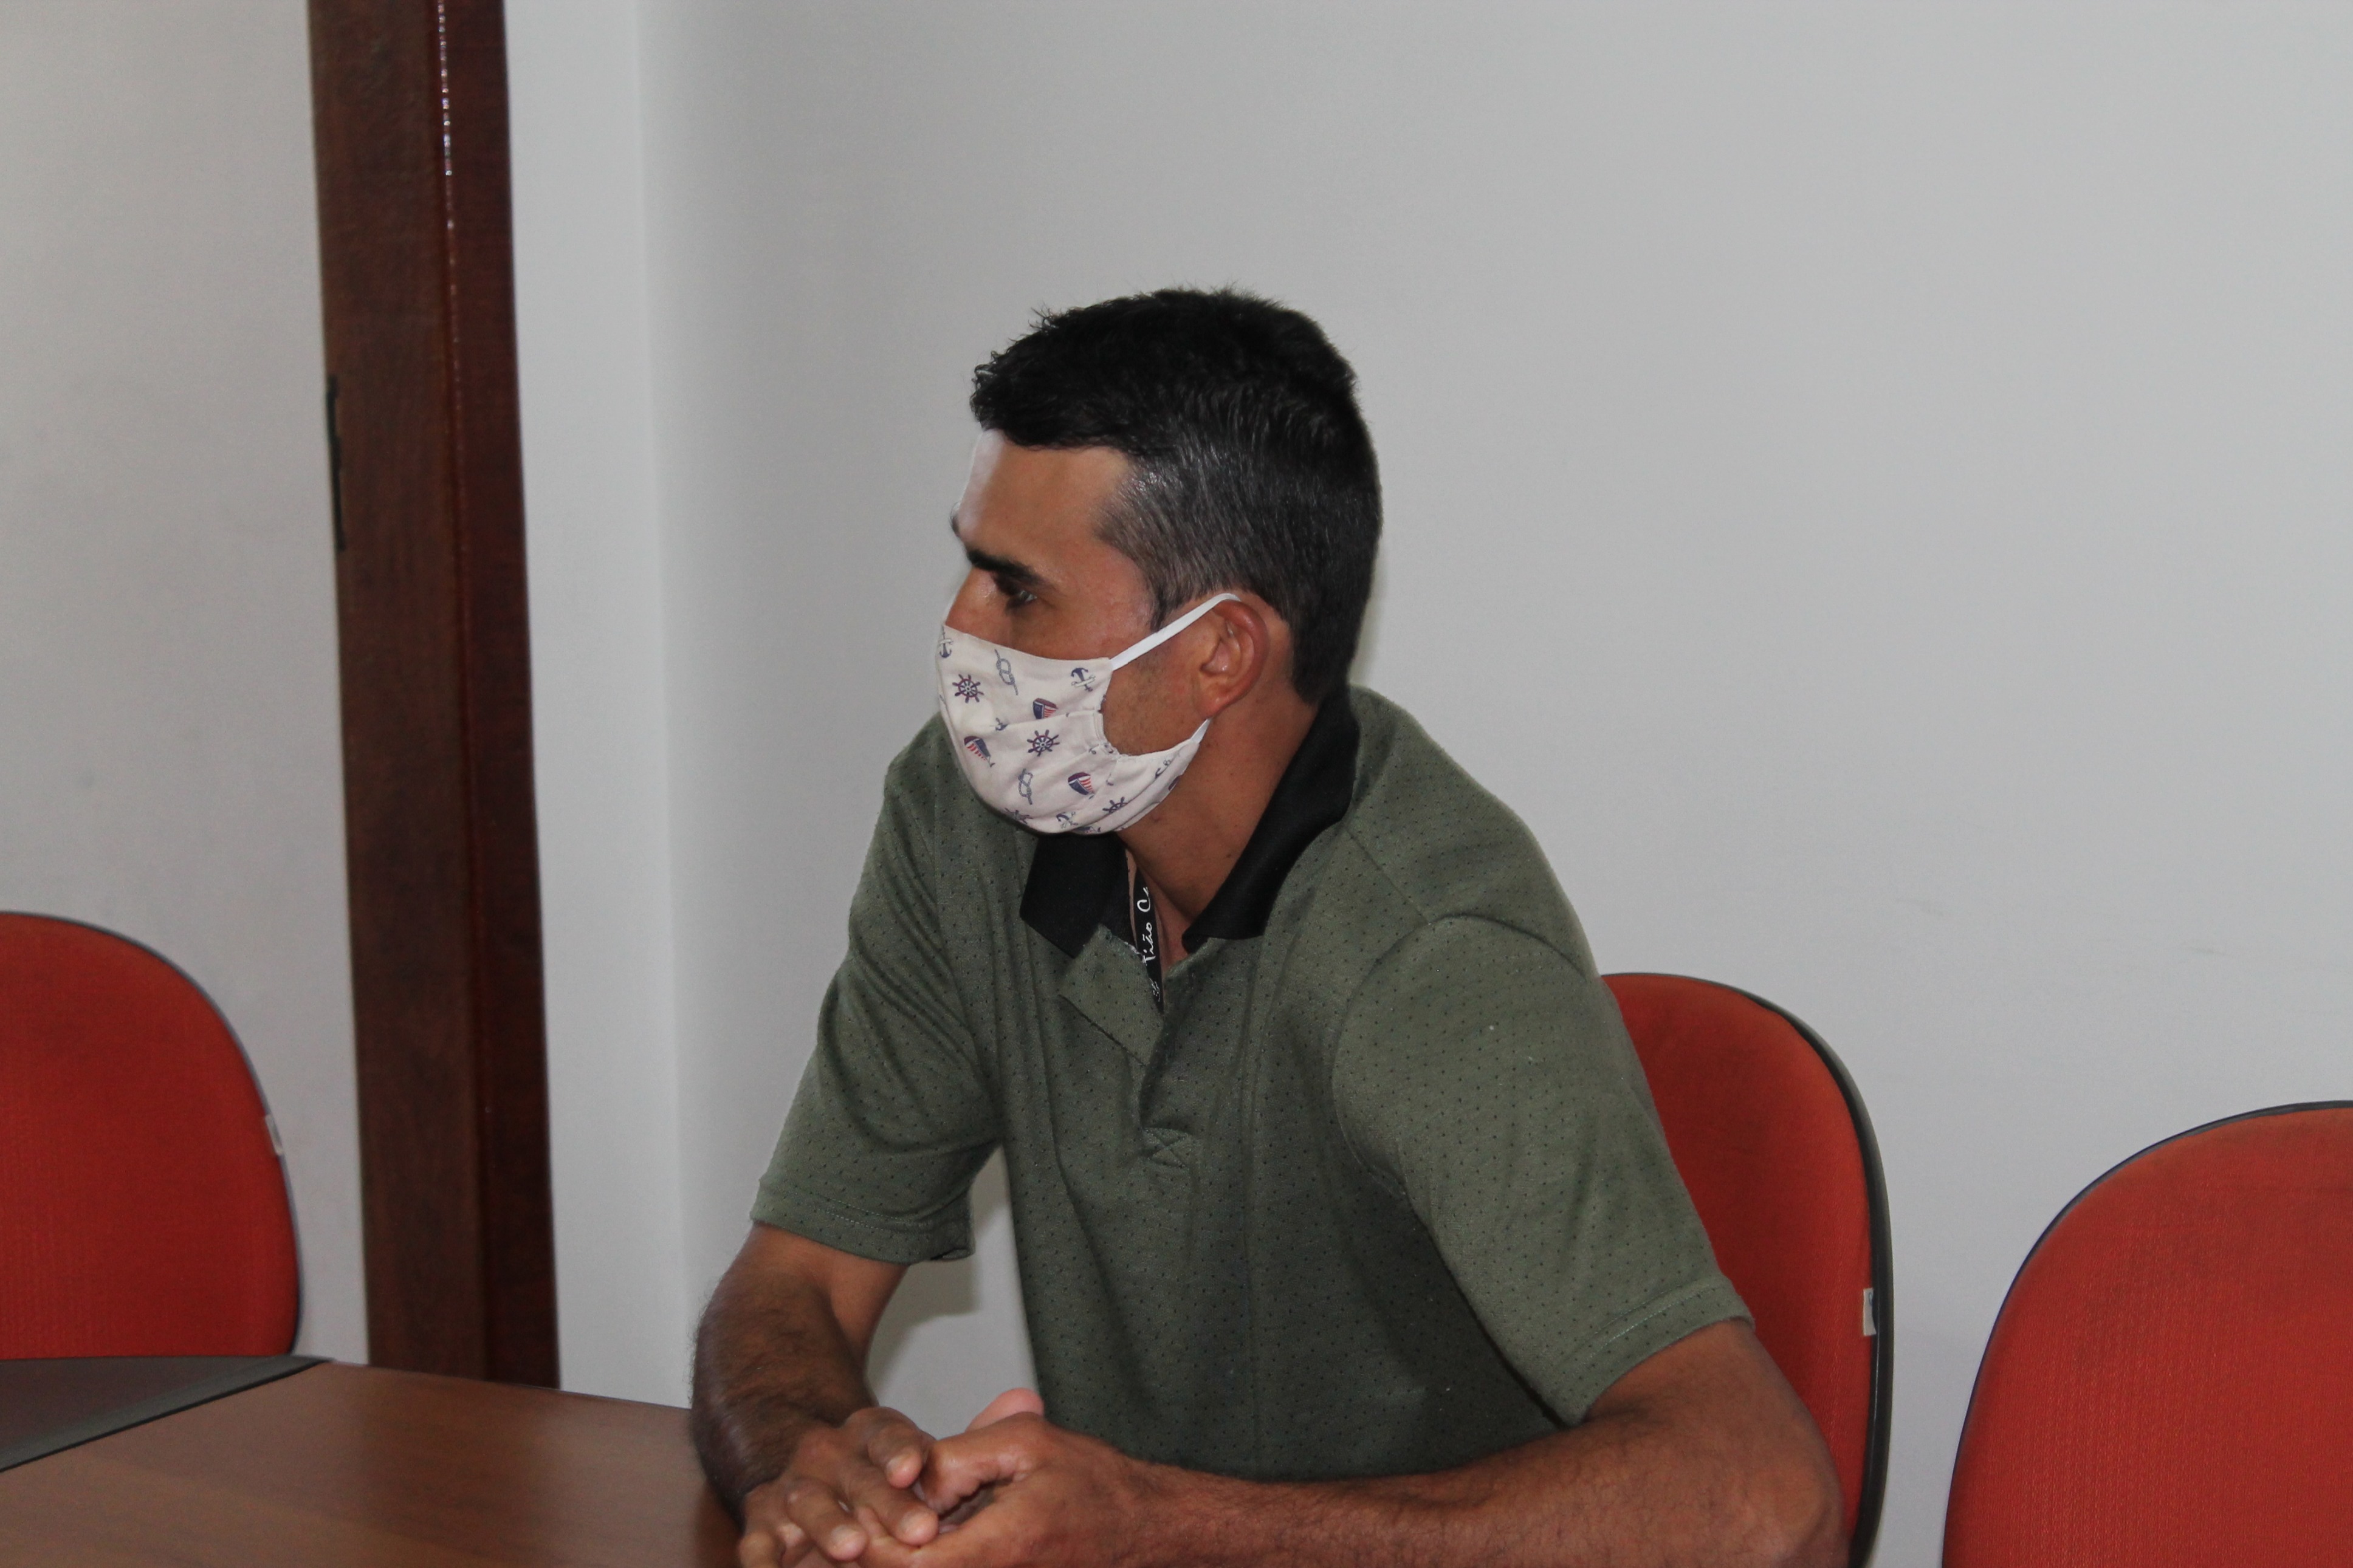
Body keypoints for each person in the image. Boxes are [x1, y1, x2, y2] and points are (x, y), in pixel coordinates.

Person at [691, 288, 1843, 1568]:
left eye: (1018, 591)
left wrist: (1159, 1529)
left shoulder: (1429, 953)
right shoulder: (967, 819)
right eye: (969, 563)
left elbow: (1769, 1499)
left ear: (1219, 654)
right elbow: (792, 1284)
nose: (961, 627)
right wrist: (816, 1462)